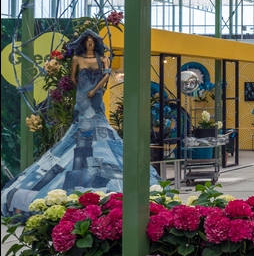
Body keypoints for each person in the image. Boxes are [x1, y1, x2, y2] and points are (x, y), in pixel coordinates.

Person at [2, 29, 155, 217]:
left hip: (95, 96)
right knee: (82, 129)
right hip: (83, 96)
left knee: (98, 125)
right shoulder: (77, 60)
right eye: (87, 42)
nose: (90, 44)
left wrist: (94, 90)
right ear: (83, 44)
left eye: (92, 42)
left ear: (95, 43)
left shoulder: (104, 59)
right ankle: (76, 171)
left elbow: (106, 76)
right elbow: (73, 77)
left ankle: (100, 173)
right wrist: (82, 90)